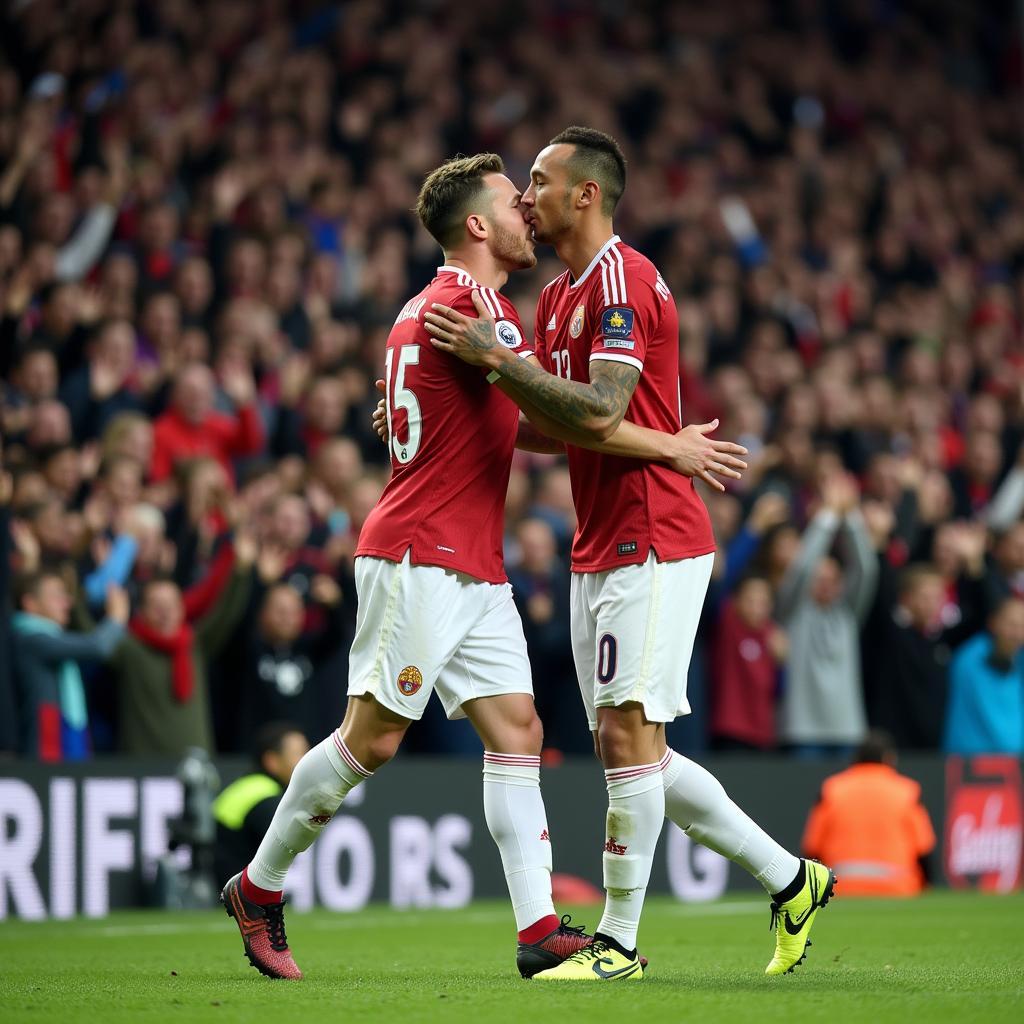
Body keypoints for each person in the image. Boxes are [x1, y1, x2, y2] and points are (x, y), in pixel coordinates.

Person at [425, 126, 833, 980]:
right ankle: (791, 879)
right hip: (599, 540)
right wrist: (457, 409)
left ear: (586, 194)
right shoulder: (560, 292)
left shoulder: (623, 280)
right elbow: (553, 420)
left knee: (627, 733)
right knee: (630, 746)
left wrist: (498, 362)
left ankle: (618, 942)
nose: (525, 197)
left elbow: (602, 407)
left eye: (537, 180)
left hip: (654, 534)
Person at [775, 473, 877, 756]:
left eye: (833, 578)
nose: (827, 583)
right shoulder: (793, 609)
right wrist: (827, 517)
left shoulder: (847, 613)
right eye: (820, 578)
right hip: (803, 731)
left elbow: (866, 569)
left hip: (847, 730)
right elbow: (801, 570)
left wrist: (852, 516)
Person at [10, 570, 129, 760]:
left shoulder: (49, 636)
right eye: (57, 596)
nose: (67, 603)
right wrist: (117, 617)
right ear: (30, 603)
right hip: (42, 750)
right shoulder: (30, 638)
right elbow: (98, 647)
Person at [802, 731, 936, 897]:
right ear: (889, 758)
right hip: (898, 887)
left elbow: (812, 847)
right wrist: (927, 885)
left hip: (840, 888)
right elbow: (924, 849)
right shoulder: (908, 791)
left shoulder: (831, 789)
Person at [213, 723, 311, 886]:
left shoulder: (247, 786)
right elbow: (286, 848)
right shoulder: (266, 796)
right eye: (297, 754)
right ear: (271, 761)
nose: (307, 761)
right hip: (233, 894)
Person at [944, 596, 1024, 756]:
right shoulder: (970, 658)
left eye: (1022, 626)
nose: (1017, 633)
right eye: (1012, 625)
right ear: (993, 623)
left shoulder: (1018, 658)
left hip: (1012, 765)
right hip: (969, 761)